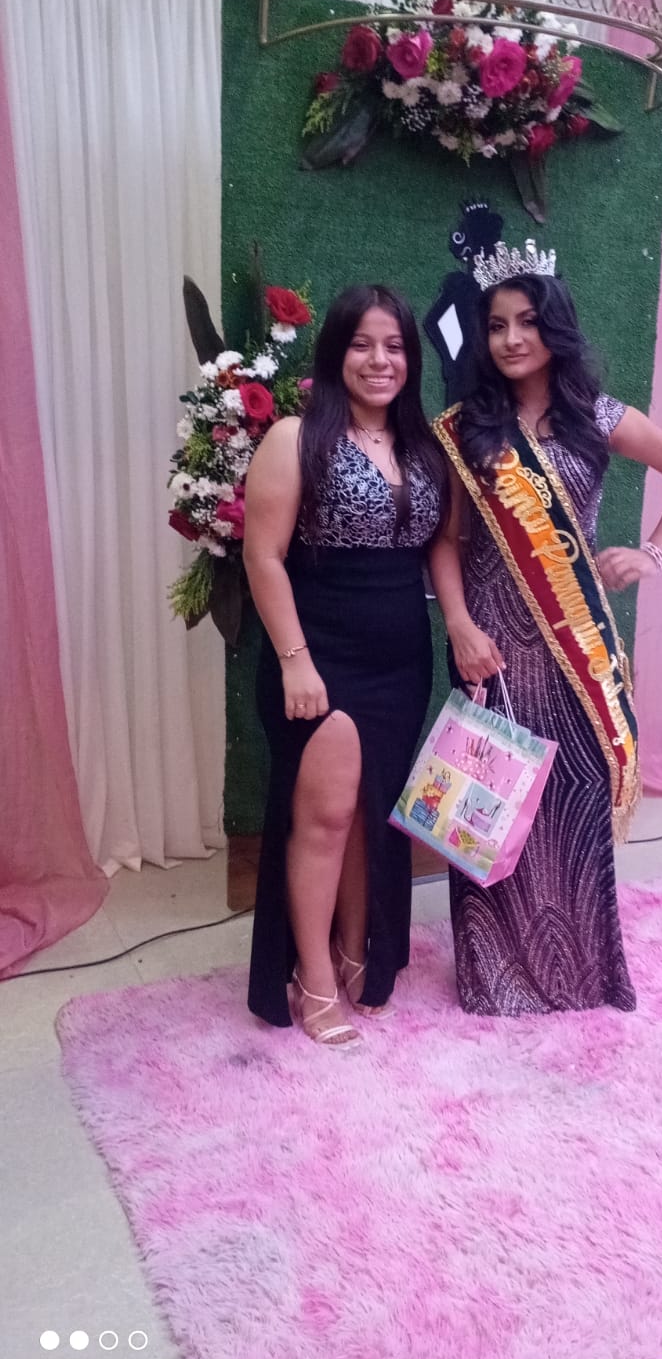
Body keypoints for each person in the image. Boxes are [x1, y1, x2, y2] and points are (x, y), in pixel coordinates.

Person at [429, 240, 662, 1017]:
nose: (511, 339)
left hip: (574, 649)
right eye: (496, 325)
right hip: (491, 646)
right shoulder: (465, 429)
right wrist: (457, 624)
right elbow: (446, 541)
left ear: (554, 326)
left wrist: (651, 552)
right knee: (489, 804)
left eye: (526, 321)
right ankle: (493, 973)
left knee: (575, 802)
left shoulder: (598, 416)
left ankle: (581, 972)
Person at [243, 284, 446, 1048]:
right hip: (318, 652)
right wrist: (295, 663)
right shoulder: (296, 437)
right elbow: (263, 557)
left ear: (410, 359)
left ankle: (357, 948)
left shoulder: (424, 447)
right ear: (336, 353)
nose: (378, 360)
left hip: (401, 659)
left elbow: (442, 549)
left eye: (393, 346)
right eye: (362, 344)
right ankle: (313, 975)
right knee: (325, 817)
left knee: (370, 813)